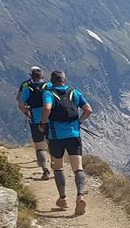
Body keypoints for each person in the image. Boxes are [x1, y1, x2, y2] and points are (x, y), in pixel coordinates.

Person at [40, 69, 93, 215]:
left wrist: (43, 123)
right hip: (74, 135)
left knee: (58, 167)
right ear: (65, 80)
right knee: (78, 167)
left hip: (55, 136)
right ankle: (80, 196)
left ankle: (63, 198)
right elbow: (88, 110)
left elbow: (47, 108)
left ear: (52, 81)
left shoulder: (48, 93)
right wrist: (79, 122)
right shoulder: (74, 93)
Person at [17, 66, 51, 179]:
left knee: (39, 146)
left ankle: (45, 170)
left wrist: (27, 111)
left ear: (31, 76)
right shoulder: (49, 86)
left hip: (35, 120)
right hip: (50, 119)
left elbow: (20, 104)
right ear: (42, 75)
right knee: (52, 144)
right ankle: (56, 166)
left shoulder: (27, 87)